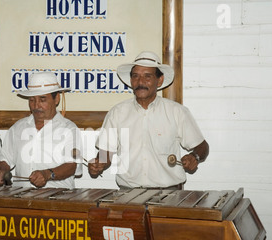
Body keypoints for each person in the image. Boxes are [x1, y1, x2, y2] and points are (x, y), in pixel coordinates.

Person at [88, 51, 209, 189]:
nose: (140, 82)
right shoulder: (117, 113)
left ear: (160, 80)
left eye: (147, 76)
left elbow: (203, 147)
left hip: (170, 194)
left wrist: (195, 157)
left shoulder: (177, 112)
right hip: (128, 195)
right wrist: (99, 163)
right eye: (135, 76)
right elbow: (105, 153)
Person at [0, 71, 82, 189]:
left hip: (58, 200)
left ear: (56, 99)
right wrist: (1, 171)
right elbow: (5, 158)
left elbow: (72, 166)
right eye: (32, 100)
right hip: (22, 198)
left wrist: (47, 174)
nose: (36, 105)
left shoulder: (69, 129)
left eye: (43, 99)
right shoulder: (17, 128)